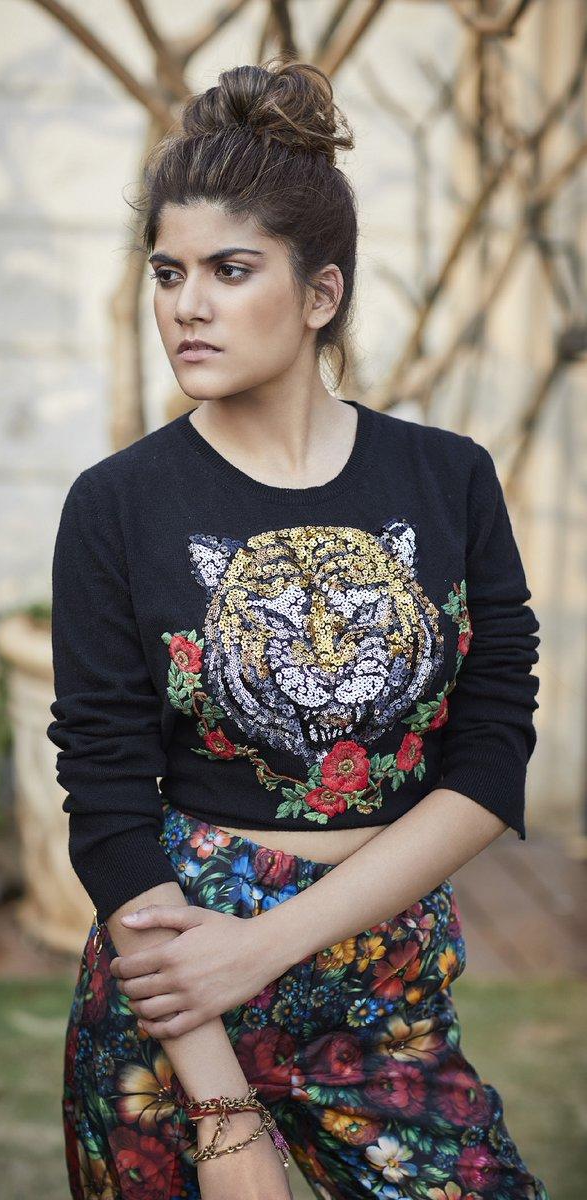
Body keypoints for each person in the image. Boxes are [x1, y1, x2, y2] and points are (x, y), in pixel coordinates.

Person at [47, 55, 550, 1200]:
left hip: (385, 982)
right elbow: (107, 797)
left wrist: (268, 945)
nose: (186, 304)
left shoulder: (447, 480)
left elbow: (489, 753)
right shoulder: (118, 505)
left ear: (320, 295)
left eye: (230, 270)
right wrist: (219, 1110)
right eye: (167, 272)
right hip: (174, 999)